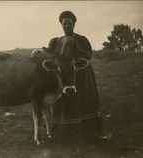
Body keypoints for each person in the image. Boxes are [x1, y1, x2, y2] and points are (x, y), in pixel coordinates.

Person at [32, 11, 109, 145]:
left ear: (74, 24)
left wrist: (73, 64)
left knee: (80, 102)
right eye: (64, 23)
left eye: (69, 23)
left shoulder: (80, 39)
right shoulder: (58, 41)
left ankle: (84, 133)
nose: (67, 26)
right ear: (61, 25)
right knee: (62, 102)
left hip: (80, 74)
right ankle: (64, 134)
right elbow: (50, 51)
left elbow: (85, 56)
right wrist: (39, 51)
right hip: (63, 75)